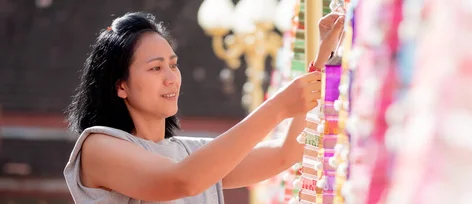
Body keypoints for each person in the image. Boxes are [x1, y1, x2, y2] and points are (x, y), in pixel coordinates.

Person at [63, 11, 345, 203]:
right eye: (156, 68)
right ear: (120, 85)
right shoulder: (98, 146)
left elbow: (287, 153)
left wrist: (321, 60)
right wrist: (277, 108)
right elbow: (181, 181)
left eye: (173, 65)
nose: (170, 77)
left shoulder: (187, 154)